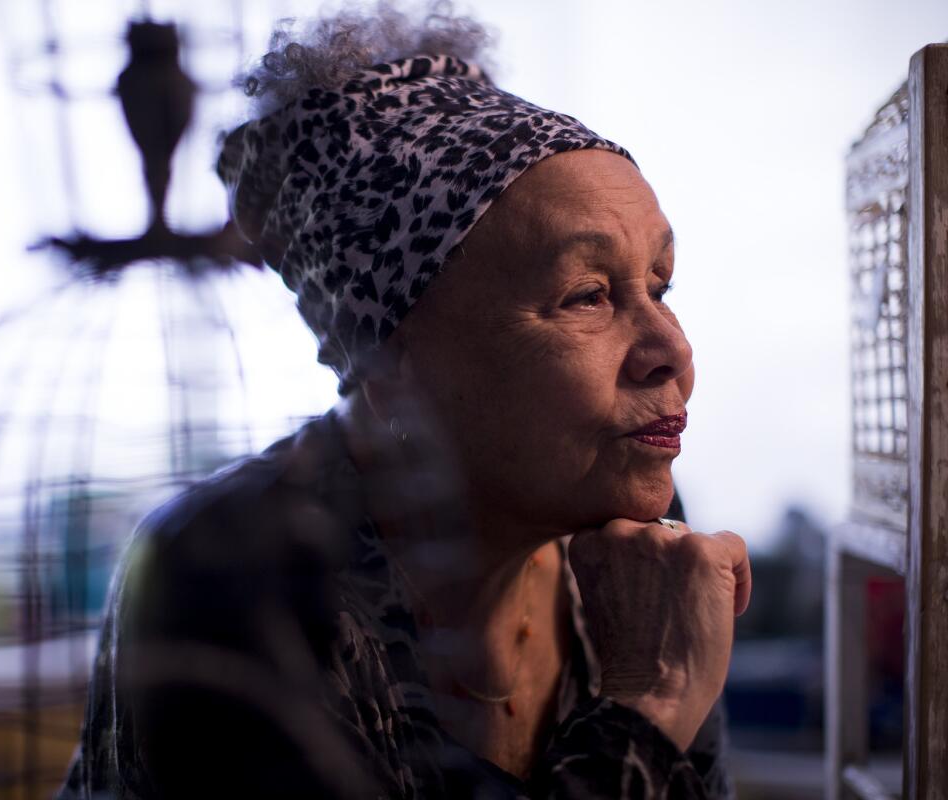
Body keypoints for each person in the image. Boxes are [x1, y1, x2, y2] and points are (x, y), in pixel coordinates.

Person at [58, 4, 751, 798]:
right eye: (588, 295)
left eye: (661, 287)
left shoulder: (636, 548)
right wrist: (649, 703)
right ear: (389, 359)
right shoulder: (225, 572)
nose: (674, 352)